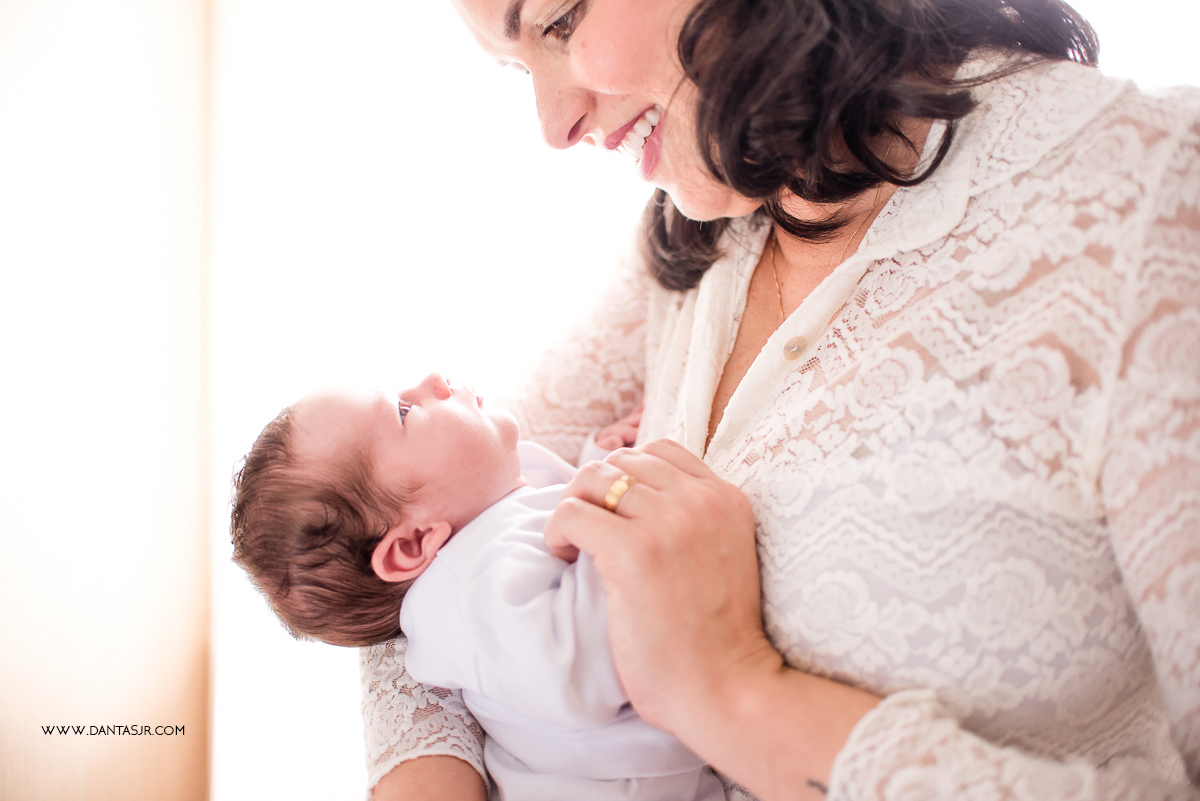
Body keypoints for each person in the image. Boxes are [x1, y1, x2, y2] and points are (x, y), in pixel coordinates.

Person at [362, 0, 1200, 798]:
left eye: (559, 21)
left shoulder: (1154, 198)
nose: (553, 125)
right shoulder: (706, 223)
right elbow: (397, 525)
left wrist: (730, 690)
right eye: (516, 70)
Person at [230, 377, 719, 800]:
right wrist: (619, 499)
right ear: (414, 543)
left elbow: (553, 521)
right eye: (404, 412)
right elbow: (584, 668)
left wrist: (602, 457)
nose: (433, 380)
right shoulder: (472, 600)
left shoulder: (488, 521)